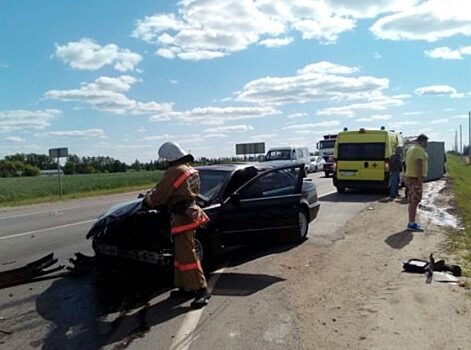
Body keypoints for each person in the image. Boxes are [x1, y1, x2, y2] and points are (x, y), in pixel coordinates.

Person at [143, 141, 210, 308]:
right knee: (181, 256)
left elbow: (160, 196)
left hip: (182, 218)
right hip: (189, 214)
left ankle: (202, 290)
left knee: (188, 256)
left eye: (165, 159)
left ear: (171, 157)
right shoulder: (189, 169)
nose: (165, 162)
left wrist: (147, 200)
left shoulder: (175, 171)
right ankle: (187, 287)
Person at [404, 134, 428, 232]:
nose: (427, 144)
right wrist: (420, 182)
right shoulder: (419, 150)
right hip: (414, 178)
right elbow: (419, 165)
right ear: (422, 141)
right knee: (415, 201)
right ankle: (411, 224)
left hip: (409, 177)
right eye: (426, 142)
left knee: (412, 201)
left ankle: (411, 221)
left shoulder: (411, 149)